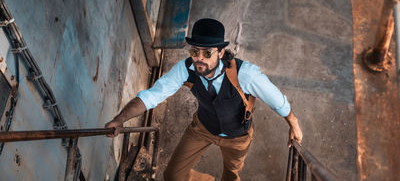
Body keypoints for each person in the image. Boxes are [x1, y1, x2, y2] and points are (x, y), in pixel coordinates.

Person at [105, 18, 303, 181]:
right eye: (195, 51)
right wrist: (120, 119)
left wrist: (293, 124)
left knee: (231, 176)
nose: (199, 58)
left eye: (207, 53)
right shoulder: (186, 69)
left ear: (221, 52)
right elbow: (152, 96)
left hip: (238, 137)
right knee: (173, 176)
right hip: (202, 129)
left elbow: (276, 99)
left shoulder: (246, 74)